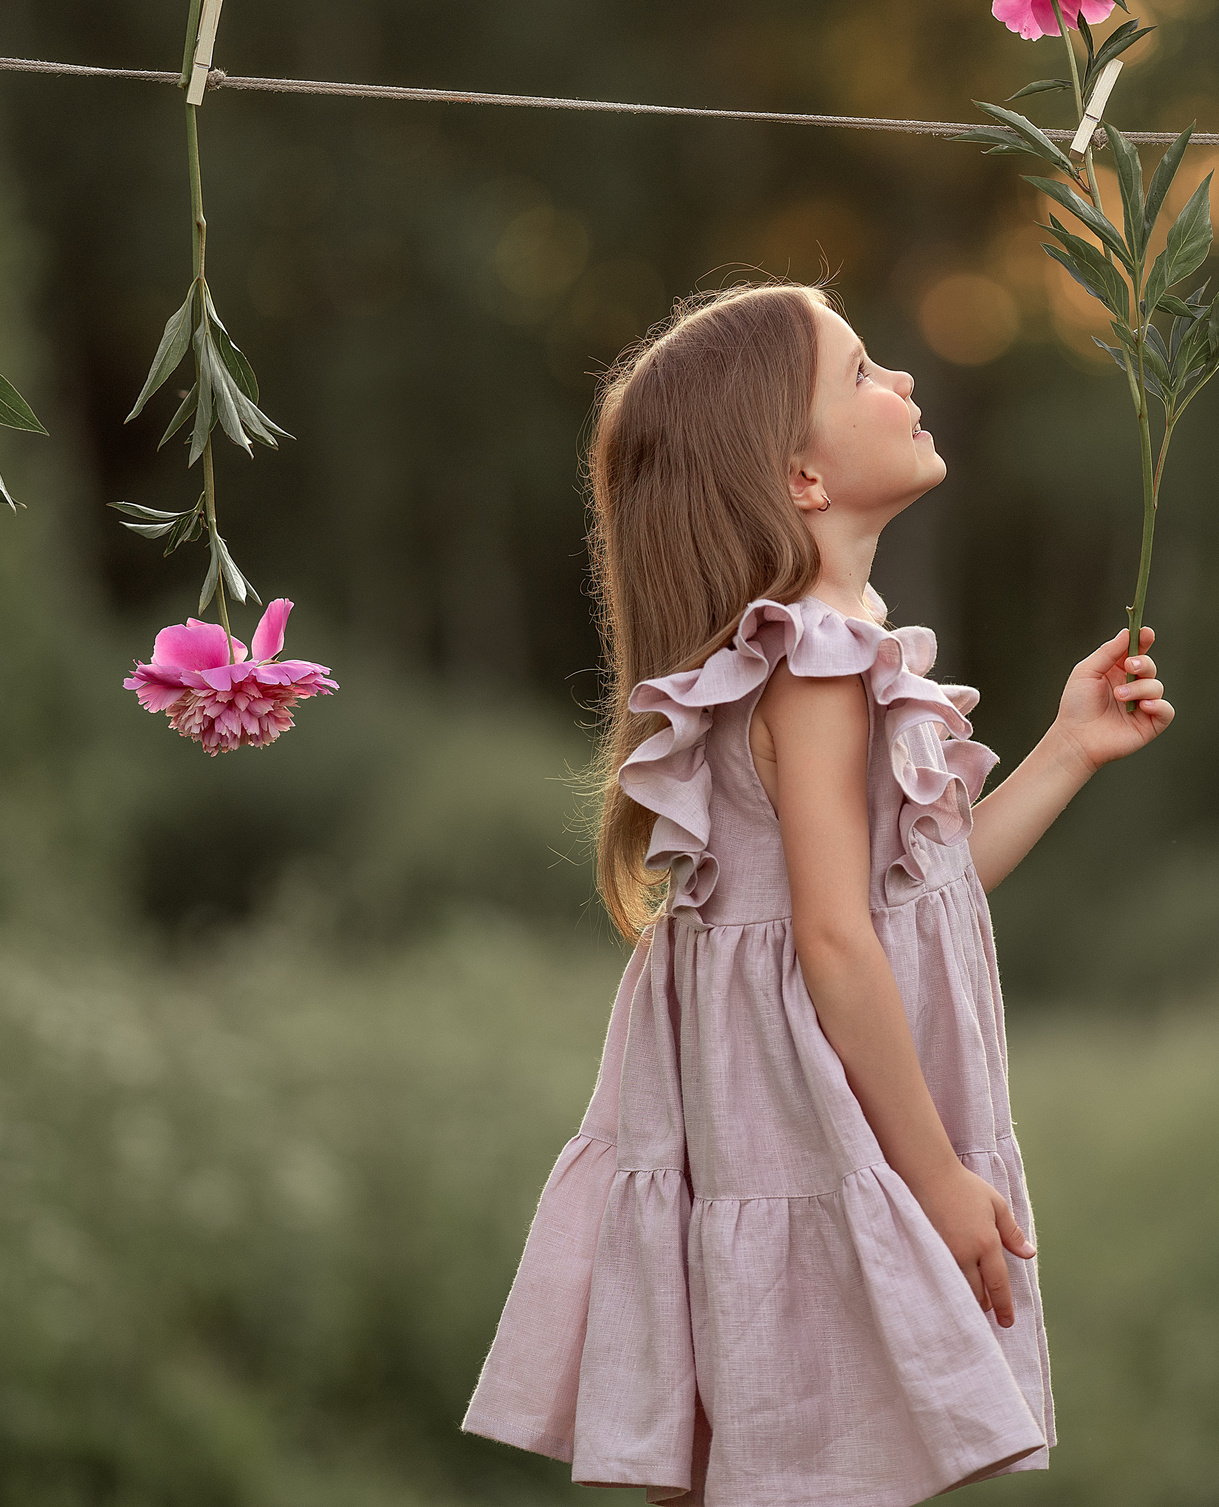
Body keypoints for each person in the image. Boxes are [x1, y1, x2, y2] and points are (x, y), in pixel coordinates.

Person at [461, 280, 1173, 1506]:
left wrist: (1066, 749)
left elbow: (912, 896)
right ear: (799, 479)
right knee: (807, 1463)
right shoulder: (814, 666)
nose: (900, 383)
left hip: (779, 1120)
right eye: (860, 373)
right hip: (818, 1128)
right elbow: (839, 947)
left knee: (776, 1456)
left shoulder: (813, 649)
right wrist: (931, 1176)